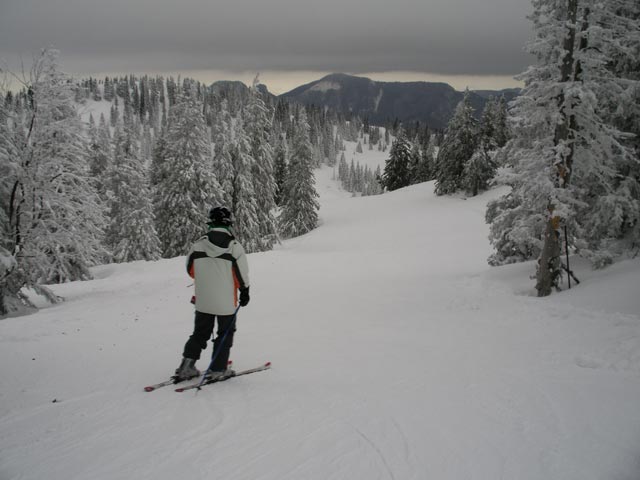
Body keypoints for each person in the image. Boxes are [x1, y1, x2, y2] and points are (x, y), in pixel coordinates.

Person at [174, 206, 250, 381]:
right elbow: (241, 274)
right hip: (226, 302)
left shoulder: (198, 245)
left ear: (211, 223)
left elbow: (190, 270)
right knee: (225, 333)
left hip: (203, 300)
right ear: (228, 224)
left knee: (200, 333)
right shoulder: (234, 247)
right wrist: (245, 291)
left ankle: (186, 366)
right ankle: (217, 369)